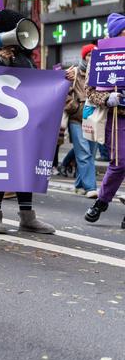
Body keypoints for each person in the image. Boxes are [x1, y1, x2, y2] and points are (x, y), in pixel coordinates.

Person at [0, 9, 56, 234]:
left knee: (24, 165)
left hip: (24, 121)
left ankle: (27, 216)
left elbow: (33, 81)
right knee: (0, 166)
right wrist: (2, 59)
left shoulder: (24, 55)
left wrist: (61, 79)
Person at [85, 12, 125, 227]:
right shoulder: (98, 55)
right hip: (117, 117)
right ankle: (101, 201)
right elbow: (89, 91)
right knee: (120, 162)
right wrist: (107, 98)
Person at [66, 44, 98, 198]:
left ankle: (79, 185)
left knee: (90, 153)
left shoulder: (99, 73)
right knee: (84, 153)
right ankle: (91, 187)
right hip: (77, 119)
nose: (91, 57)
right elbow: (64, 91)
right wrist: (73, 106)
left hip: (94, 119)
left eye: (94, 54)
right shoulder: (75, 72)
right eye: (89, 54)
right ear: (84, 56)